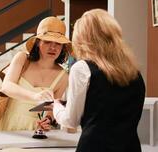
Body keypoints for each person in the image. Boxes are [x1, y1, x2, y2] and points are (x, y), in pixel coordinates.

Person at [53, 9, 145, 152]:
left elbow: (71, 121)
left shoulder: (82, 69)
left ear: (83, 39)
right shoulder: (135, 73)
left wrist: (56, 107)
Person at [0, 16, 71, 131]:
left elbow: (52, 108)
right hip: (8, 124)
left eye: (58, 43)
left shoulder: (63, 76)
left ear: (63, 47)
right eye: (47, 42)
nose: (53, 47)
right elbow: (6, 87)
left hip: (35, 129)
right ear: (37, 43)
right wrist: (35, 96)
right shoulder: (22, 59)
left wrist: (48, 120)